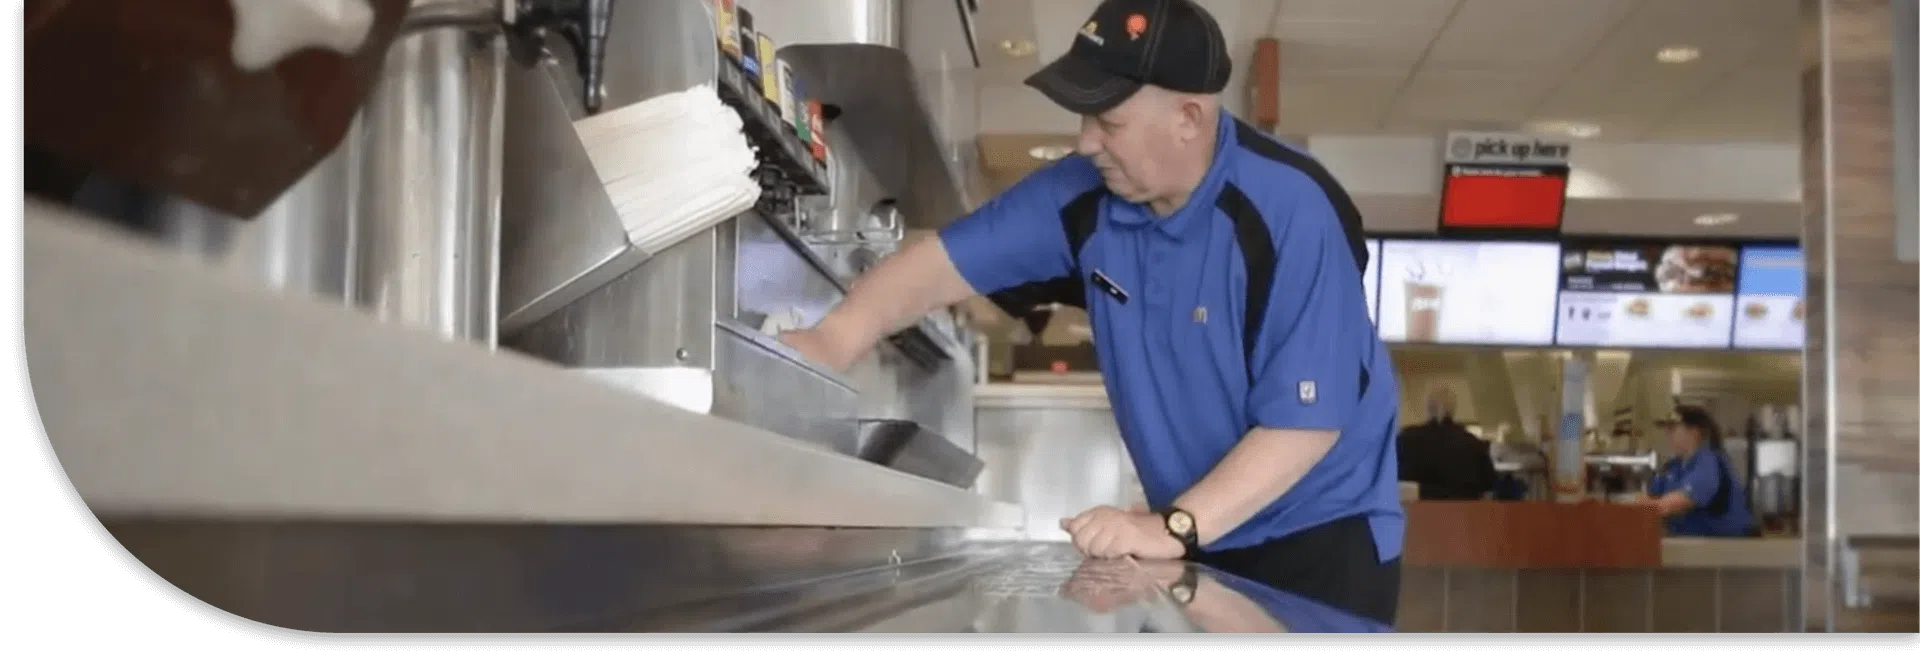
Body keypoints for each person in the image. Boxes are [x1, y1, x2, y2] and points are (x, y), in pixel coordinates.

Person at [778, 0, 1403, 624]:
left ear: (1188, 118)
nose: (1086, 141)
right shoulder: (1083, 195)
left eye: (1108, 121)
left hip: (1320, 537)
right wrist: (833, 340)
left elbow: (1307, 424)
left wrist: (1176, 526)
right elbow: (941, 264)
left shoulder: (1292, 210)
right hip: (1194, 536)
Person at [1641, 405, 1755, 537]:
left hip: (1720, 548)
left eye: (1672, 429)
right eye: (1666, 429)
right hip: (1688, 544)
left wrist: (1643, 507)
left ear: (1694, 432)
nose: (1667, 434)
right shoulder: (1673, 467)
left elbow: (1678, 503)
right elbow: (1650, 497)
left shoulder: (1708, 461)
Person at [1395, 386, 1498, 501]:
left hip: (1418, 514)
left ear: (1428, 408)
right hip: (1464, 514)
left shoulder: (1406, 439)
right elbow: (1488, 488)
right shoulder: (1474, 444)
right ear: (1453, 409)